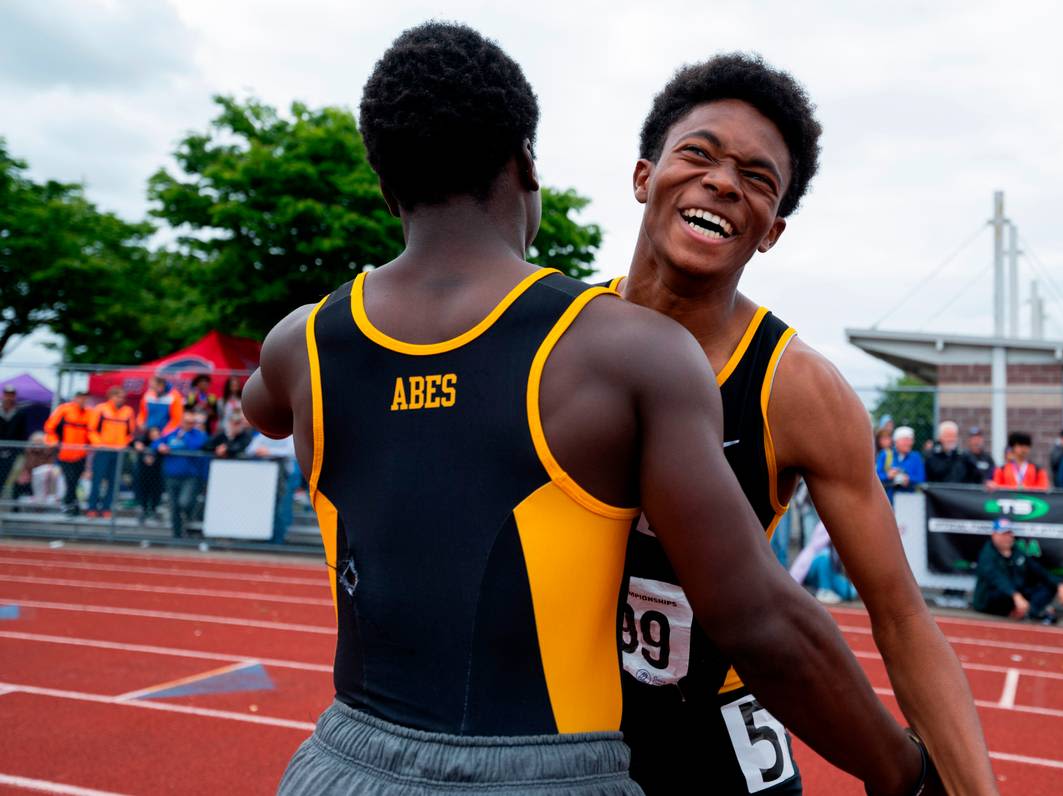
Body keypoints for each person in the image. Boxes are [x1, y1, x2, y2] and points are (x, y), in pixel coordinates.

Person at [244, 24, 933, 796]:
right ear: (527, 163)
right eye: (699, 154)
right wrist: (905, 771)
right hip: (543, 772)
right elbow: (758, 618)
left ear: (385, 185)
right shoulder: (622, 348)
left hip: (340, 763)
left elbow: (261, 407)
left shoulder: (304, 342)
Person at [608, 54, 991, 794]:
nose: (723, 182)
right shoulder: (555, 335)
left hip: (713, 740)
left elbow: (902, 617)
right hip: (564, 722)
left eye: (757, 177)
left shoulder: (799, 389)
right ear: (643, 177)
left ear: (771, 230)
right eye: (699, 153)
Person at [972, 523, 1063, 624]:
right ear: (994, 535)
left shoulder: (1016, 551)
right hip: (994, 598)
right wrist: (1016, 596)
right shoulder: (987, 555)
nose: (1008, 537)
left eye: (1010, 533)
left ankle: (1028, 612)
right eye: (1004, 534)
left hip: (1017, 594)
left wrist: (1060, 584)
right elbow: (997, 579)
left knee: (1049, 587)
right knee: (999, 593)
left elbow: (1038, 569)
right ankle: (1027, 612)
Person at [154, 411, 208, 538]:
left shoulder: (198, 435)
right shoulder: (173, 434)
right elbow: (157, 442)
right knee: (174, 507)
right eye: (187, 422)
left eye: (192, 423)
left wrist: (183, 438)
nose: (189, 425)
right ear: (181, 422)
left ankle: (189, 519)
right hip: (171, 475)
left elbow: (195, 446)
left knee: (184, 502)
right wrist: (160, 446)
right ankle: (177, 534)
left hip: (190, 476)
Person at [43, 389, 95, 515]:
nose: (83, 400)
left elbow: (92, 432)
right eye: (80, 397)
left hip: (81, 454)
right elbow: (50, 427)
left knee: (75, 480)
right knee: (69, 479)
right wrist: (54, 442)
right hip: (64, 453)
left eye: (85, 398)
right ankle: (70, 505)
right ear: (75, 398)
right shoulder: (64, 409)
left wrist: (93, 445)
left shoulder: (89, 412)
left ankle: (72, 505)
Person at [86, 386, 135, 517]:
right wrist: (99, 444)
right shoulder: (100, 409)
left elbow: (130, 433)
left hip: (118, 452)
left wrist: (123, 444)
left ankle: (106, 508)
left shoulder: (128, 411)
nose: (121, 399)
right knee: (97, 480)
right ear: (111, 396)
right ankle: (92, 508)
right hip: (103, 451)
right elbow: (91, 429)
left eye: (122, 397)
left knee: (114, 481)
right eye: (118, 396)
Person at [877, 426, 926, 502]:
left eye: (911, 440)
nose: (909, 443)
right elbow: (875, 477)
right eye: (905, 440)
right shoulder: (885, 455)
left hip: (910, 500)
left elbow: (921, 479)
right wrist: (888, 475)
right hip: (888, 500)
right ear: (896, 441)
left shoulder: (916, 457)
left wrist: (908, 479)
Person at [0, 384, 29, 498]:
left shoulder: (20, 413)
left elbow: (23, 433)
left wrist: (21, 450)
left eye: (11, 395)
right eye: (7, 394)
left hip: (12, 450)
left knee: (5, 474)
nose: (9, 397)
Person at [135, 426, 164, 524]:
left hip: (156, 473)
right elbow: (134, 443)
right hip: (144, 473)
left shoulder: (161, 443)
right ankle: (144, 511)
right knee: (144, 492)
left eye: (156, 434)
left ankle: (154, 510)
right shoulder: (143, 442)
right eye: (153, 434)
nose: (154, 436)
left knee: (155, 493)